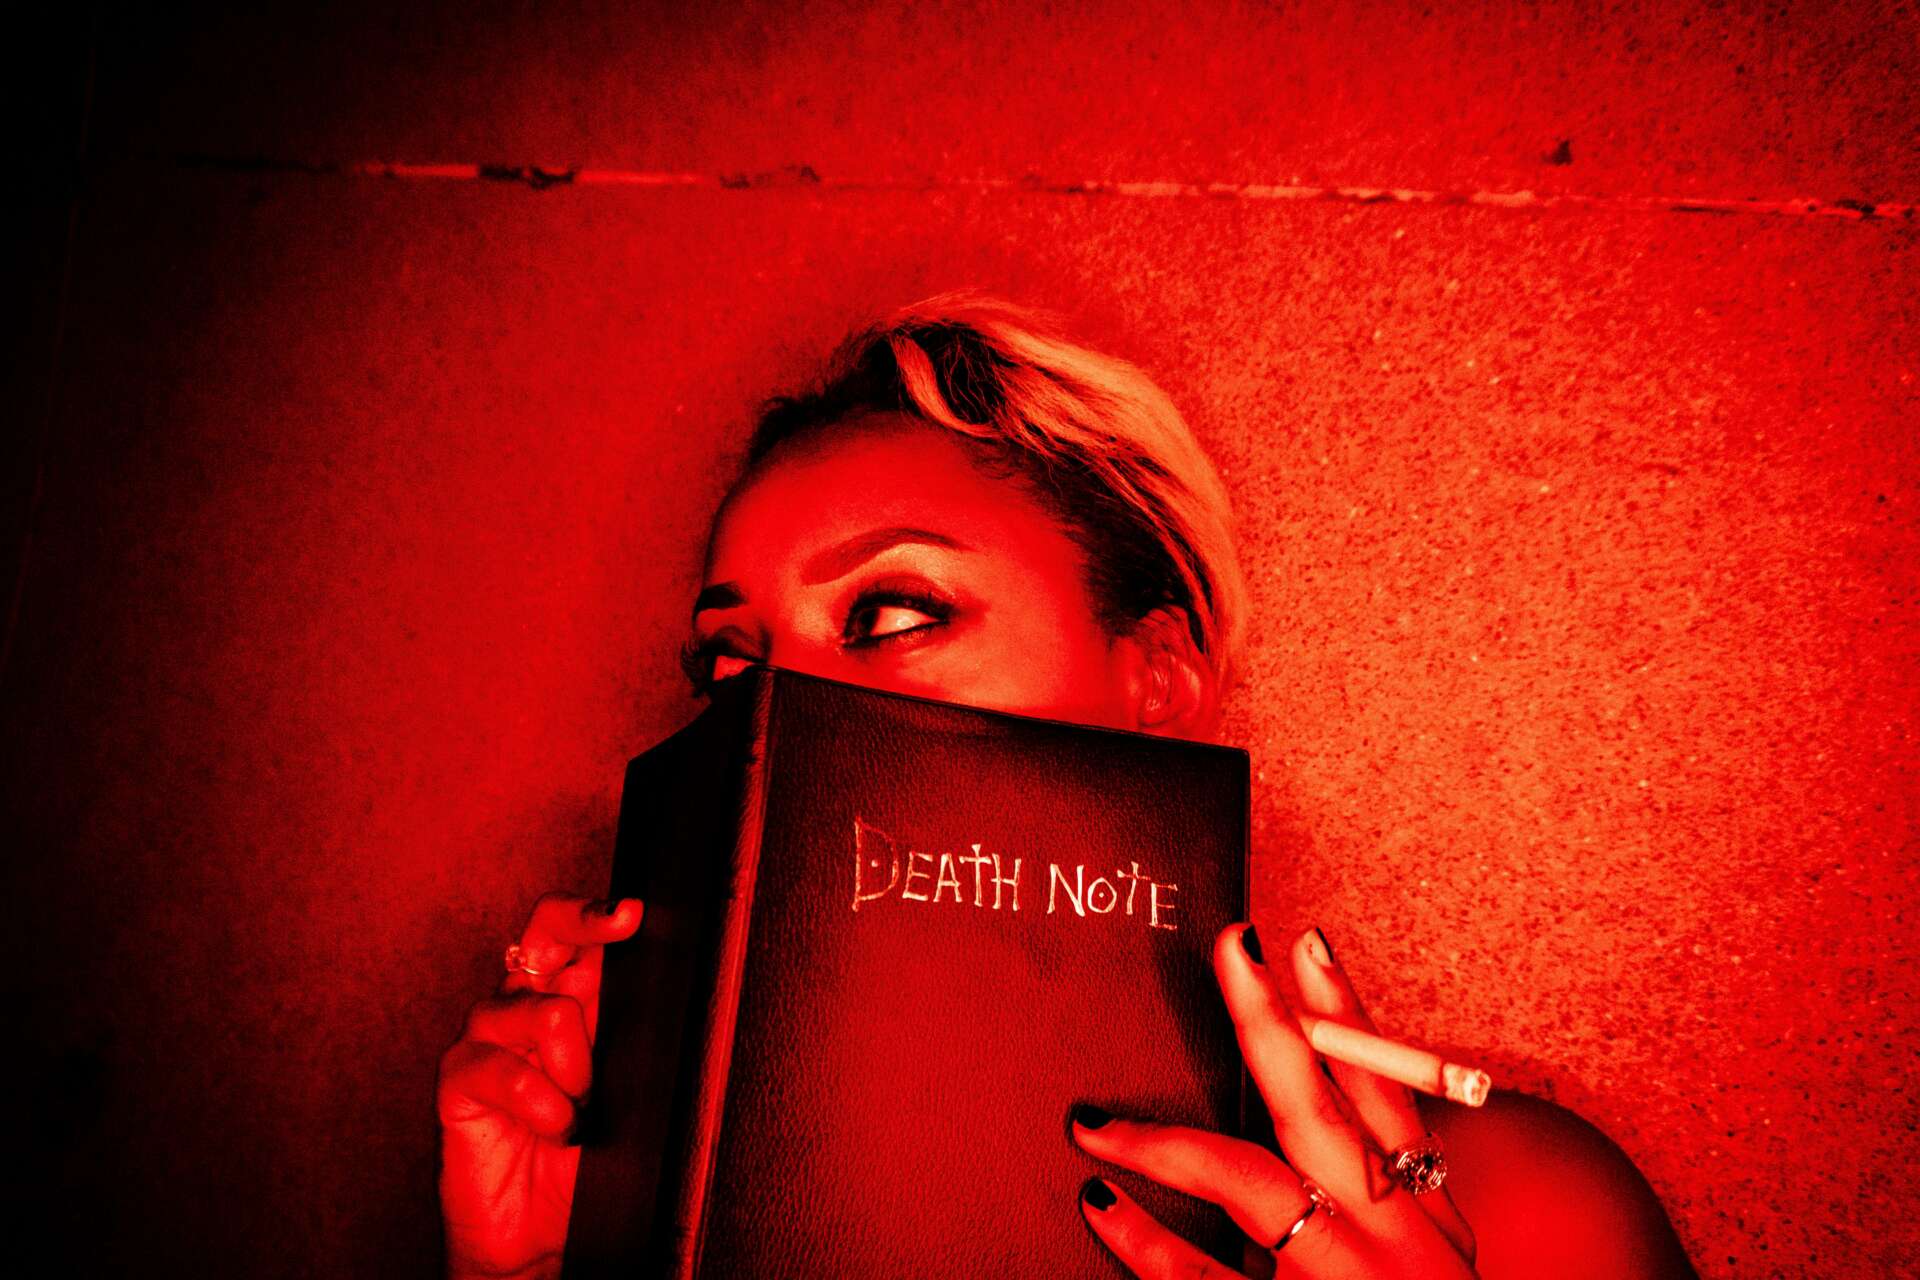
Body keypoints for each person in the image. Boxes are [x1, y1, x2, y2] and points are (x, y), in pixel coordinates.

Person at [436, 294, 1697, 1279]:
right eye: (732, 665)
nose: (778, 712)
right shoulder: (674, 1195)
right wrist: (528, 1270)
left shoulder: (1516, 1204)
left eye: (893, 613)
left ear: (1156, 678)